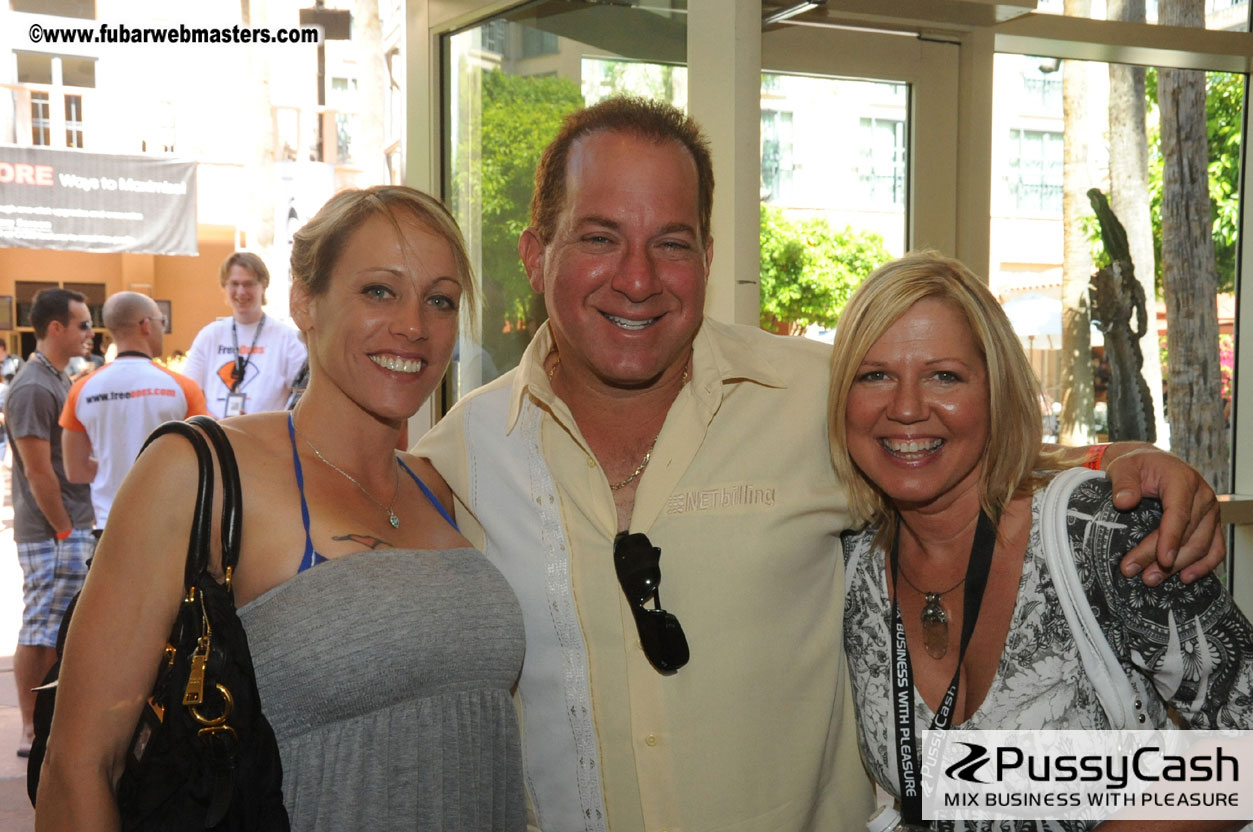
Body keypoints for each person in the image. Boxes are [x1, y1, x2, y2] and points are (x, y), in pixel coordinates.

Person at [416, 96, 1225, 832]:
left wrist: (1127, 461)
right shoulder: (457, 461)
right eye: (599, 238)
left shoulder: (818, 396)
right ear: (533, 253)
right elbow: (935, 783)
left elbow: (972, 452)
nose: (637, 279)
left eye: (671, 243)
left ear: (705, 255)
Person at [36, 186, 526, 830]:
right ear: (304, 300)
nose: (414, 324)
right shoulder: (199, 472)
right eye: (380, 290)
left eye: (440, 300)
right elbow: (79, 768)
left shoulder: (449, 484)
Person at [832, 251, 1253, 831]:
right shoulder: (848, 565)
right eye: (874, 375)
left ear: (996, 391)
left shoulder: (1102, 534)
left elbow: (1245, 744)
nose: (905, 408)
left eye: (944, 376)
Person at [5, 288, 96, 759]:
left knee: (58, 628)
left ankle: (46, 722)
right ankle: (29, 728)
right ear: (55, 328)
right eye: (82, 324)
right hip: (52, 529)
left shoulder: (56, 378)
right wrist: (63, 528)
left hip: (68, 523)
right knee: (40, 629)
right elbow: (37, 469)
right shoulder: (35, 386)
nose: (89, 332)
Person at [59, 292, 210, 531]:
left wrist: (114, 466)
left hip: (109, 525)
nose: (164, 329)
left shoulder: (81, 390)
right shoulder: (183, 388)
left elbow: (75, 471)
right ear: (146, 325)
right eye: (162, 322)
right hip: (169, 524)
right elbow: (205, 458)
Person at [183, 251, 307, 417]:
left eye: (249, 284)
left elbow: (304, 395)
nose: (241, 292)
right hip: (216, 435)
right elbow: (189, 393)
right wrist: (211, 422)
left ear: (264, 286)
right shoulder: (210, 336)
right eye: (234, 284)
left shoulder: (287, 339)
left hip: (266, 437)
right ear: (224, 286)